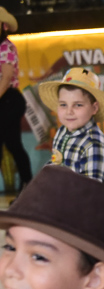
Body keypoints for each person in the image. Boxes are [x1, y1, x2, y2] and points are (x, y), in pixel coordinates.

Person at [38, 67, 104, 289]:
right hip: (75, 218)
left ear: (93, 108)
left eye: (78, 105)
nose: (69, 111)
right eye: (63, 105)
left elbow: (91, 192)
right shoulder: (63, 134)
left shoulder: (94, 144)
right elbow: (57, 165)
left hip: (101, 220)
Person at [0, 7, 33, 194]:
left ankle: (27, 183)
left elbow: (6, 78)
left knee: (13, 144)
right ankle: (27, 184)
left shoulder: (6, 46)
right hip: (4, 100)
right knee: (11, 144)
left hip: (9, 100)